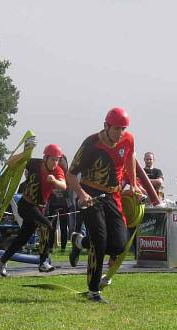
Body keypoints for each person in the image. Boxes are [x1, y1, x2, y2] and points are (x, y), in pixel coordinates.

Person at [67, 107, 140, 303]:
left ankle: (79, 242)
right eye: (116, 128)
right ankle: (93, 291)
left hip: (112, 195)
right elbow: (71, 175)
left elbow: (131, 156)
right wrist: (81, 194)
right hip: (90, 193)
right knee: (99, 241)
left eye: (123, 128)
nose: (120, 133)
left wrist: (133, 183)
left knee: (118, 245)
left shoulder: (128, 139)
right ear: (106, 126)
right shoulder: (91, 144)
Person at [0, 142, 66, 276]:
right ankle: (43, 262)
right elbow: (10, 162)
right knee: (47, 226)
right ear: (45, 158)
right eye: (52, 159)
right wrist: (25, 153)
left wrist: (54, 181)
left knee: (22, 238)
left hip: (40, 208)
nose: (55, 163)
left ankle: (3, 259)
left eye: (57, 160)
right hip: (26, 205)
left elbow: (63, 186)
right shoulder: (34, 163)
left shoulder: (58, 171)